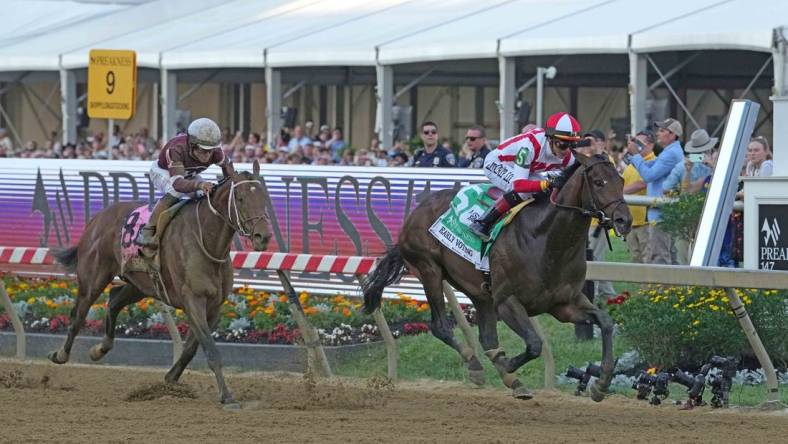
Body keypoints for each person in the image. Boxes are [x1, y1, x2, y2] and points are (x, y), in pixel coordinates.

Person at [469, 112, 580, 241]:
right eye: (562, 145)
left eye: (572, 145)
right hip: (497, 162)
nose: (566, 151)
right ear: (550, 139)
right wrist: (547, 183)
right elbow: (519, 185)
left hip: (528, 169)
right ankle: (482, 223)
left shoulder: (568, 156)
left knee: (548, 190)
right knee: (524, 192)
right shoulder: (530, 146)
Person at [136, 118, 234, 249]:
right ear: (192, 145)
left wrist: (230, 184)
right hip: (164, 172)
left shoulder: (215, 152)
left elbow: (229, 168)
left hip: (188, 175)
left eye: (211, 150)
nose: (208, 155)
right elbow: (177, 183)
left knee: (206, 194)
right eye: (204, 150)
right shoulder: (176, 149)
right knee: (175, 191)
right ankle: (148, 230)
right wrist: (199, 185)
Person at [627, 118, 684, 264]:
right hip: (663, 212)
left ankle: (663, 287)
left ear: (672, 135)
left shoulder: (670, 153)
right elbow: (652, 167)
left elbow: (649, 176)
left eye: (662, 130)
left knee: (660, 257)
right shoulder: (670, 151)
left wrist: (635, 155)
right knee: (669, 256)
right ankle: (671, 287)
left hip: (661, 214)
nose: (658, 133)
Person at [622, 130, 657, 263]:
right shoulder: (632, 164)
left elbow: (642, 183)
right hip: (631, 222)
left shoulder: (654, 161)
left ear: (650, 145)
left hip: (645, 222)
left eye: (638, 142)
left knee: (648, 260)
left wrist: (621, 193)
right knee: (635, 260)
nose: (634, 145)